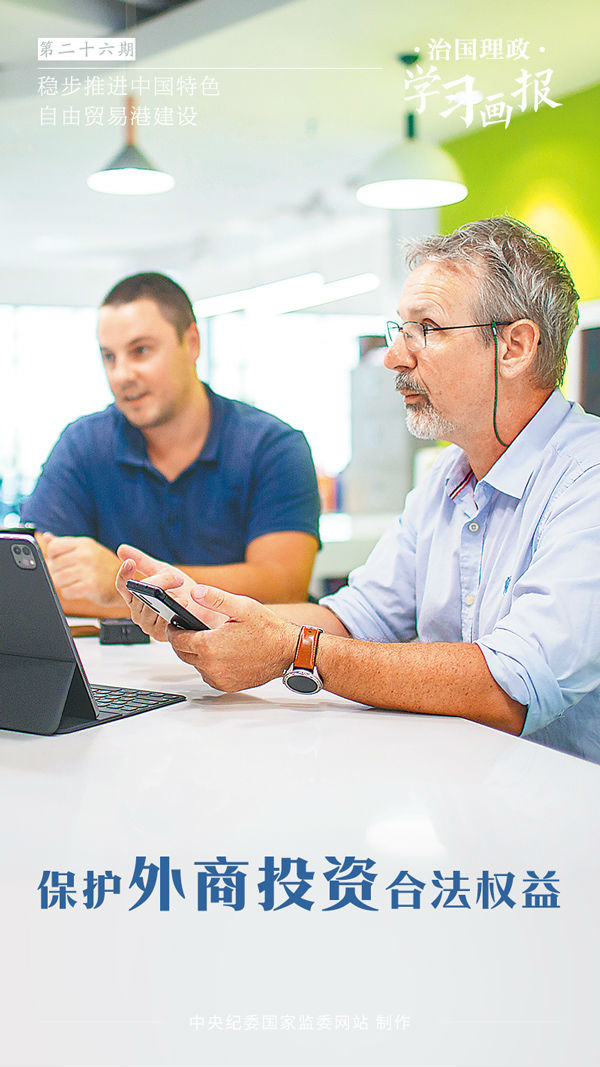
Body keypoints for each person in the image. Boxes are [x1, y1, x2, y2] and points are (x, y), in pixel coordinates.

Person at [115, 218, 600, 764]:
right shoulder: (447, 478)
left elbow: (509, 689)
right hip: (468, 786)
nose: (394, 357)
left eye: (427, 329)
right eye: (400, 329)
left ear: (514, 346)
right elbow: (355, 618)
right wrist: (207, 605)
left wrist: (294, 651)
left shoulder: (588, 479)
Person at [20, 273, 321, 617]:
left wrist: (124, 583)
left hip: (239, 653)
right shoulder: (82, 445)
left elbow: (284, 588)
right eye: (109, 357)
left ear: (191, 342)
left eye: (141, 351)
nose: (121, 374)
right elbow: (35, 582)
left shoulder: (273, 447)